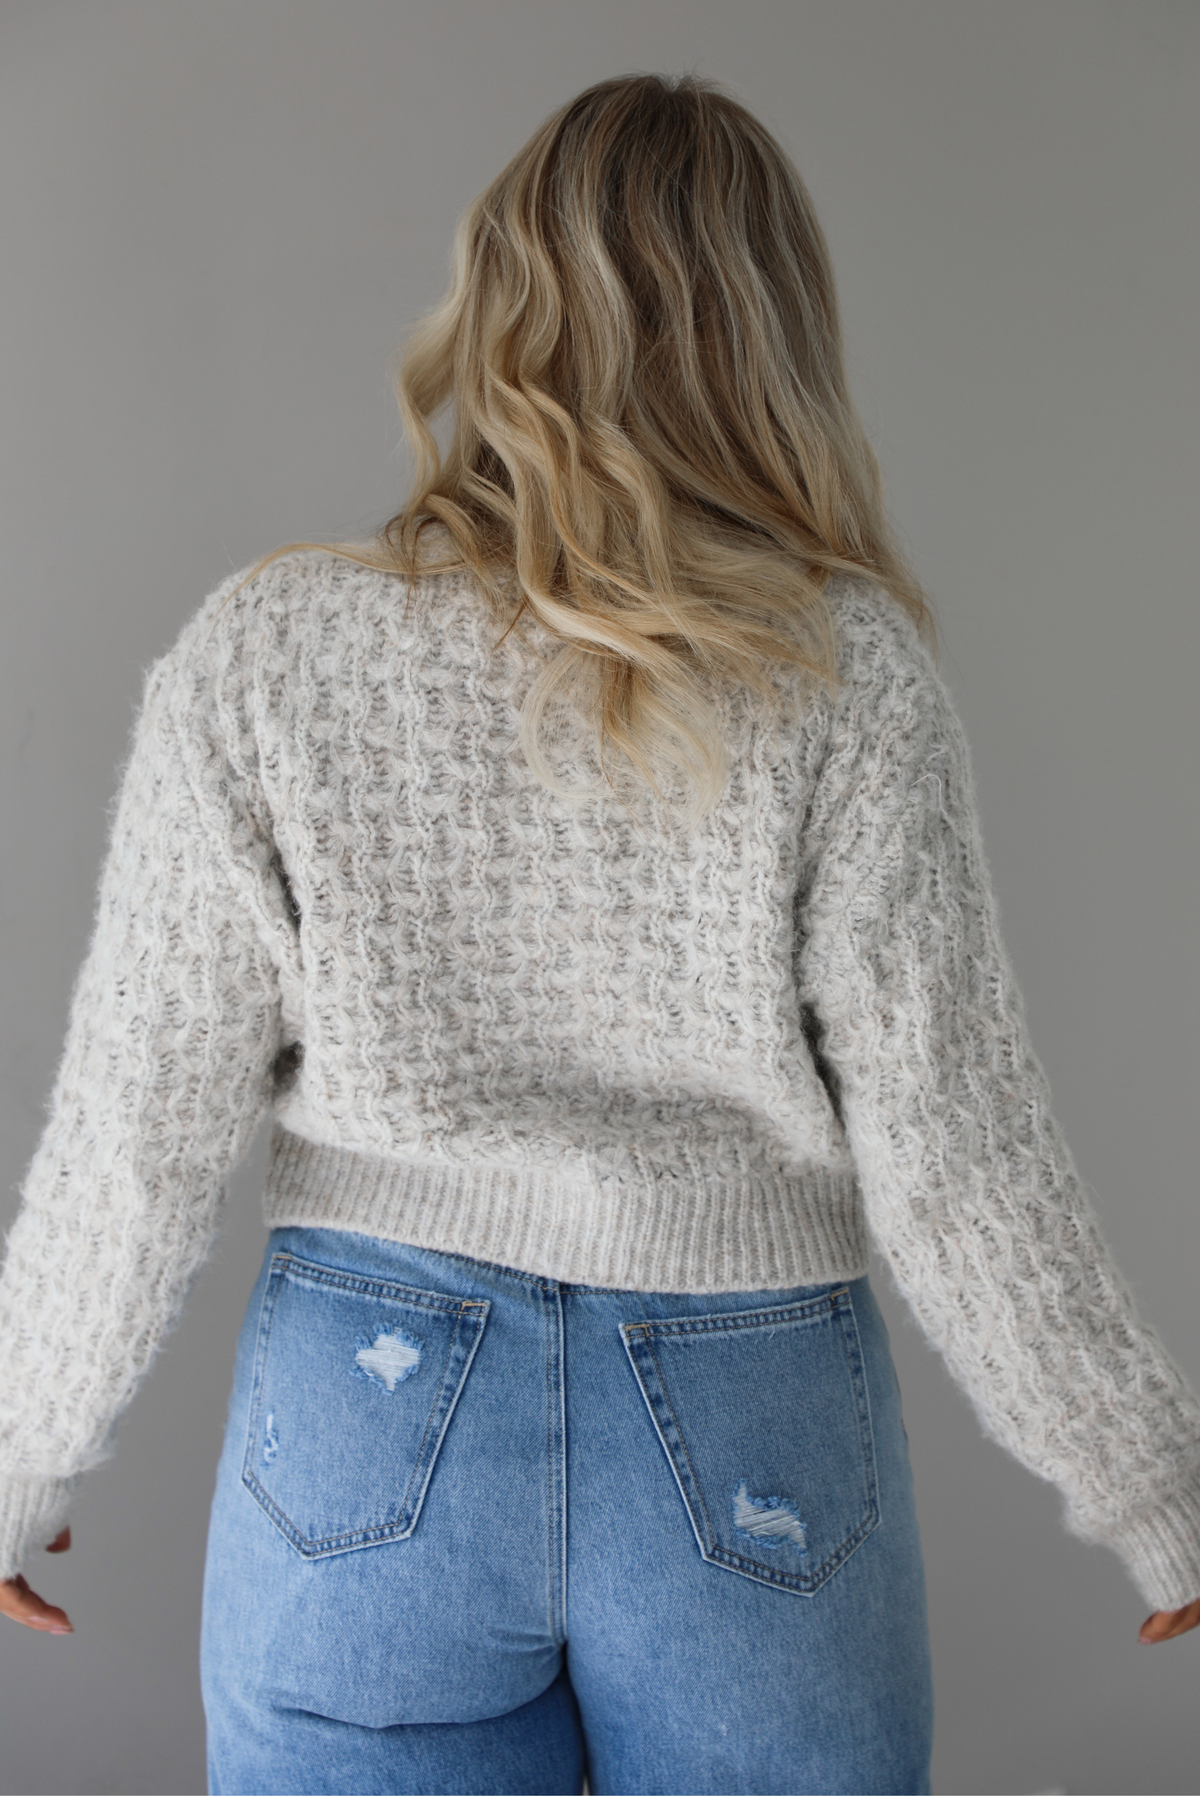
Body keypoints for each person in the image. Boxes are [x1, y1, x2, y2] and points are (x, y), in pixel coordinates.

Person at [1, 71, 1197, 1796]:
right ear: (773, 338)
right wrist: (1152, 1484)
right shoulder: (846, 678)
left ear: (496, 311)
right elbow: (961, 1151)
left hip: (366, 1409)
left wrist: (22, 1452)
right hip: (749, 1417)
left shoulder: (268, 652)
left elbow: (136, 1124)